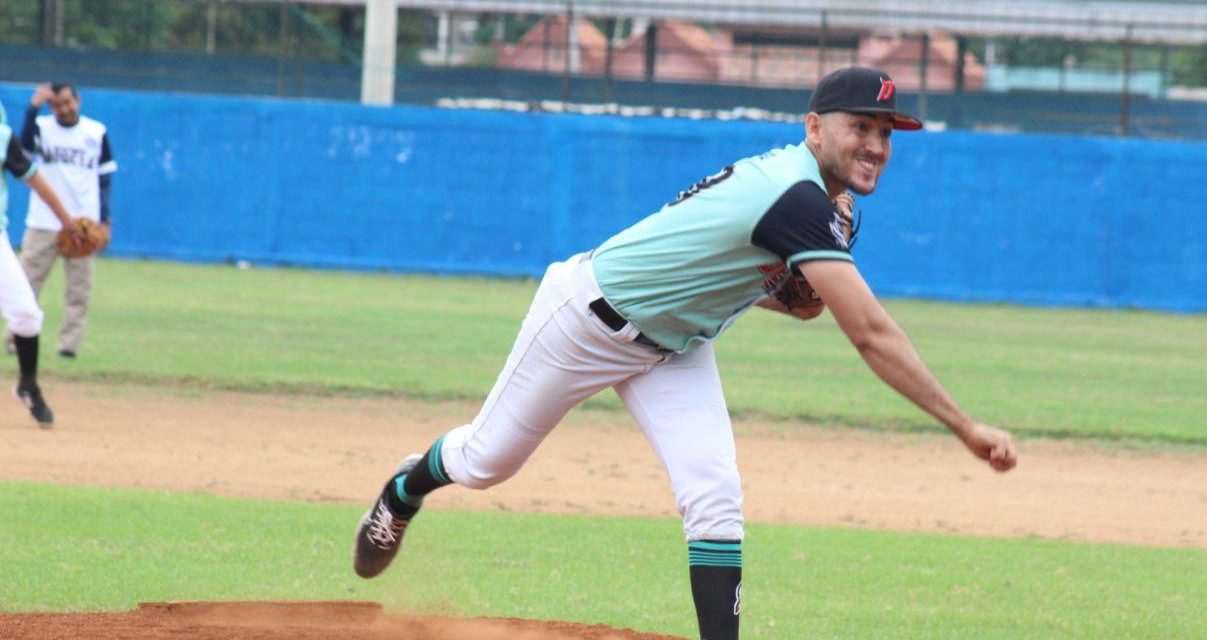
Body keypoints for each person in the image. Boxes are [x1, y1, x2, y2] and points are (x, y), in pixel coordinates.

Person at [352, 66, 1018, 640]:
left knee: (716, 498)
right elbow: (869, 332)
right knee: (485, 461)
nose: (875, 144)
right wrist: (965, 425)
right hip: (587, 321)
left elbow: (797, 304)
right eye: (861, 126)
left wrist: (801, 283)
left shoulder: (816, 200)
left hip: (675, 345)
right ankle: (404, 491)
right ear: (815, 127)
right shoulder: (795, 197)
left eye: (886, 133)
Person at [4, 82, 116, 360]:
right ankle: (15, 341)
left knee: (79, 290)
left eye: (67, 102)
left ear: (78, 100)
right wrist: (32, 108)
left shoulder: (96, 132)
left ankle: (69, 346)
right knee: (26, 283)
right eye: (56, 104)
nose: (63, 108)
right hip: (42, 221)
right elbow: (22, 152)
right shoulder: (41, 127)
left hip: (82, 223)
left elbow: (104, 178)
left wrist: (104, 220)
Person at [0, 102, 79, 426]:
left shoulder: (2, 137)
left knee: (27, 316)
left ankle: (28, 385)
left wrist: (66, 221)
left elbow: (35, 179)